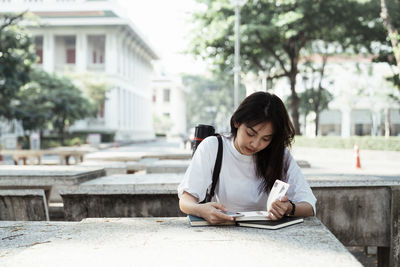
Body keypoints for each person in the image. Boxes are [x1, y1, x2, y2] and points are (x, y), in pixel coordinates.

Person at [178, 91, 316, 224]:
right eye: (250, 133)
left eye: (266, 139)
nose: (255, 144)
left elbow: (309, 206)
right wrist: (202, 210)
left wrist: (289, 208)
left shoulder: (280, 155)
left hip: (268, 235)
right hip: (224, 231)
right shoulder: (213, 147)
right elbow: (186, 201)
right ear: (237, 122)